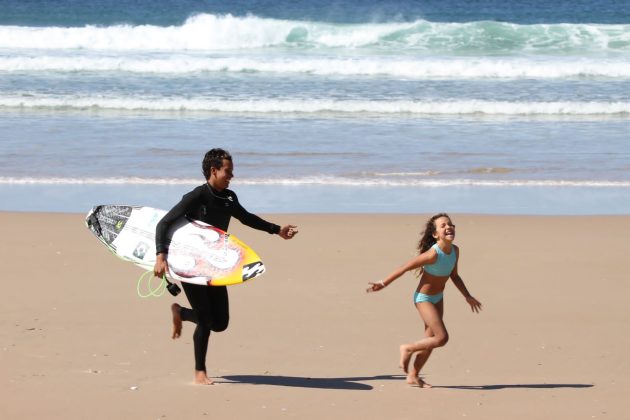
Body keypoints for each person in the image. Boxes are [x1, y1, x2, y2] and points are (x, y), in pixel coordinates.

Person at [153, 148, 298, 385]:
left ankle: (181, 312)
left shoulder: (229, 197)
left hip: (216, 264)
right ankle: (200, 372)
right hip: (191, 264)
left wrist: (276, 230)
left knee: (220, 323)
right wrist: (161, 257)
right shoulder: (196, 196)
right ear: (214, 170)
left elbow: (247, 218)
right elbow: (164, 223)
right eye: (227, 171)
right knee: (206, 319)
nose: (232, 176)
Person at [366, 213, 481, 388]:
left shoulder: (455, 251)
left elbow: (454, 276)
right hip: (424, 299)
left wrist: (467, 296)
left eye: (450, 224)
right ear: (435, 234)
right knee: (441, 338)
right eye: (442, 226)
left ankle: (413, 375)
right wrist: (383, 283)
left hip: (438, 298)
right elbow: (405, 267)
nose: (448, 227)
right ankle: (408, 348)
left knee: (430, 340)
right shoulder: (432, 254)